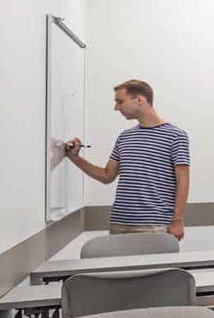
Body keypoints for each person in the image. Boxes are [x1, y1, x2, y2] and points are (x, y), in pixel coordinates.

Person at [64, 79, 190, 239]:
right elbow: (106, 176)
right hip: (120, 223)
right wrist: (74, 157)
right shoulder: (125, 137)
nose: (116, 107)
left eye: (120, 101)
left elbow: (183, 182)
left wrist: (177, 220)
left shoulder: (175, 136)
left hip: (155, 224)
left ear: (139, 99)